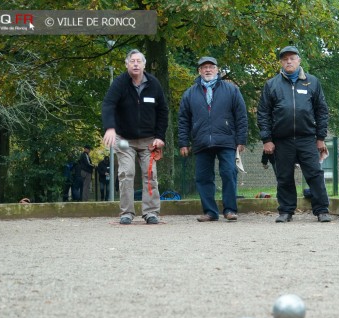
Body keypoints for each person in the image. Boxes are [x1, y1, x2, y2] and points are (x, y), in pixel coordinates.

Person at [257, 45, 332, 223]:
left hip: (307, 138)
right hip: (281, 140)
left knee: (314, 174)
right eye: (285, 59)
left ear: (299, 60)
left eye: (292, 58)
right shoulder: (271, 84)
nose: (289, 61)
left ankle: (322, 210)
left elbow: (322, 111)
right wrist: (267, 139)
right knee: (284, 176)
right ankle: (286, 211)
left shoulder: (313, 82)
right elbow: (263, 113)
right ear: (281, 63)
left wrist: (321, 138)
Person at [102, 49, 168, 225]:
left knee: (150, 174)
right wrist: (109, 128)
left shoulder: (154, 84)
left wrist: (160, 136)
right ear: (127, 64)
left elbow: (163, 111)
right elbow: (108, 105)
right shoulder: (119, 83)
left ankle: (151, 213)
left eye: (139, 61)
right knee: (127, 172)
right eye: (132, 61)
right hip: (124, 139)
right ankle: (127, 213)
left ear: (144, 64)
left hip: (149, 140)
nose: (136, 64)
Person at [178, 56, 247, 222]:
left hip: (227, 140)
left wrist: (241, 139)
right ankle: (210, 212)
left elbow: (241, 116)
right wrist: (183, 143)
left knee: (229, 173)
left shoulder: (231, 90)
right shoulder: (189, 94)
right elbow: (183, 120)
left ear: (217, 70)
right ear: (199, 71)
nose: (207, 70)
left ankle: (230, 210)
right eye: (204, 67)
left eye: (211, 67)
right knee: (203, 177)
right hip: (201, 141)